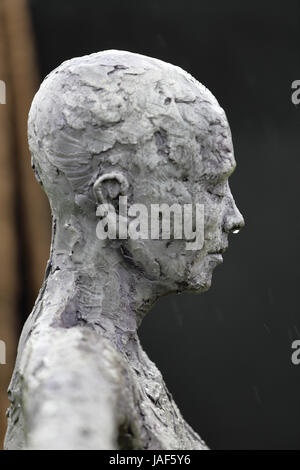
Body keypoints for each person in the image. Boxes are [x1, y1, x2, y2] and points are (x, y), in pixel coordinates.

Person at [5, 50, 244, 450]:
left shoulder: (113, 352)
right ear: (116, 200)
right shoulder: (76, 358)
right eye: (211, 186)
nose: (235, 217)